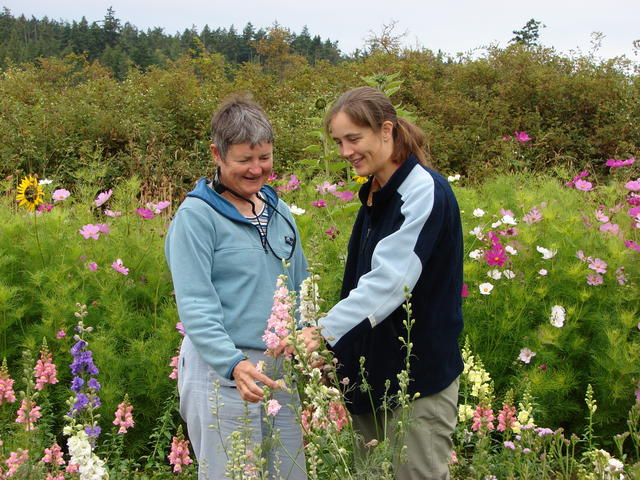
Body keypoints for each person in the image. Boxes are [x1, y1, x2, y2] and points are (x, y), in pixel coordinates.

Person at [291, 86, 464, 480]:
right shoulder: (375, 193)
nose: (346, 151)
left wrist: (324, 333)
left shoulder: (423, 191)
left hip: (418, 379)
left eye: (355, 138)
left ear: (386, 130)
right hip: (372, 378)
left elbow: (392, 281)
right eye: (338, 142)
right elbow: (359, 285)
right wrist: (338, 355)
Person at [165, 95, 308, 480]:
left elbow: (300, 285)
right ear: (217, 153)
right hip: (222, 371)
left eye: (264, 157)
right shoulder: (196, 217)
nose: (257, 169)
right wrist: (233, 365)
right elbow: (196, 304)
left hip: (278, 371)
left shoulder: (280, 212)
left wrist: (306, 336)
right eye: (245, 160)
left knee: (290, 473)